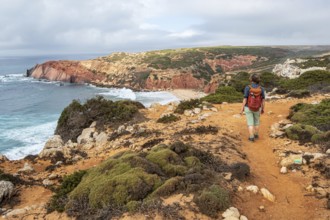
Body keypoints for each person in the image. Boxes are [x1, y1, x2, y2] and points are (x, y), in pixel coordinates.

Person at [240, 74, 265, 142]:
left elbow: (245, 98)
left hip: (248, 107)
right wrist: (263, 108)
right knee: (256, 122)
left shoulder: (248, 87)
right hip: (257, 107)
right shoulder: (261, 88)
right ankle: (256, 135)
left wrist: (242, 109)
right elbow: (263, 99)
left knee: (250, 123)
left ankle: (251, 137)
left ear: (251, 80)